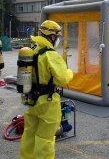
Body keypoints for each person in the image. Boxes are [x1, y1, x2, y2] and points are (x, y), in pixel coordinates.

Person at [20, 20, 74, 159]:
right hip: (48, 103)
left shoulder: (33, 51)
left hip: (33, 100)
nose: (58, 39)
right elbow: (62, 79)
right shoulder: (51, 55)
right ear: (52, 36)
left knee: (30, 135)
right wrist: (69, 72)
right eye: (57, 36)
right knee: (45, 139)